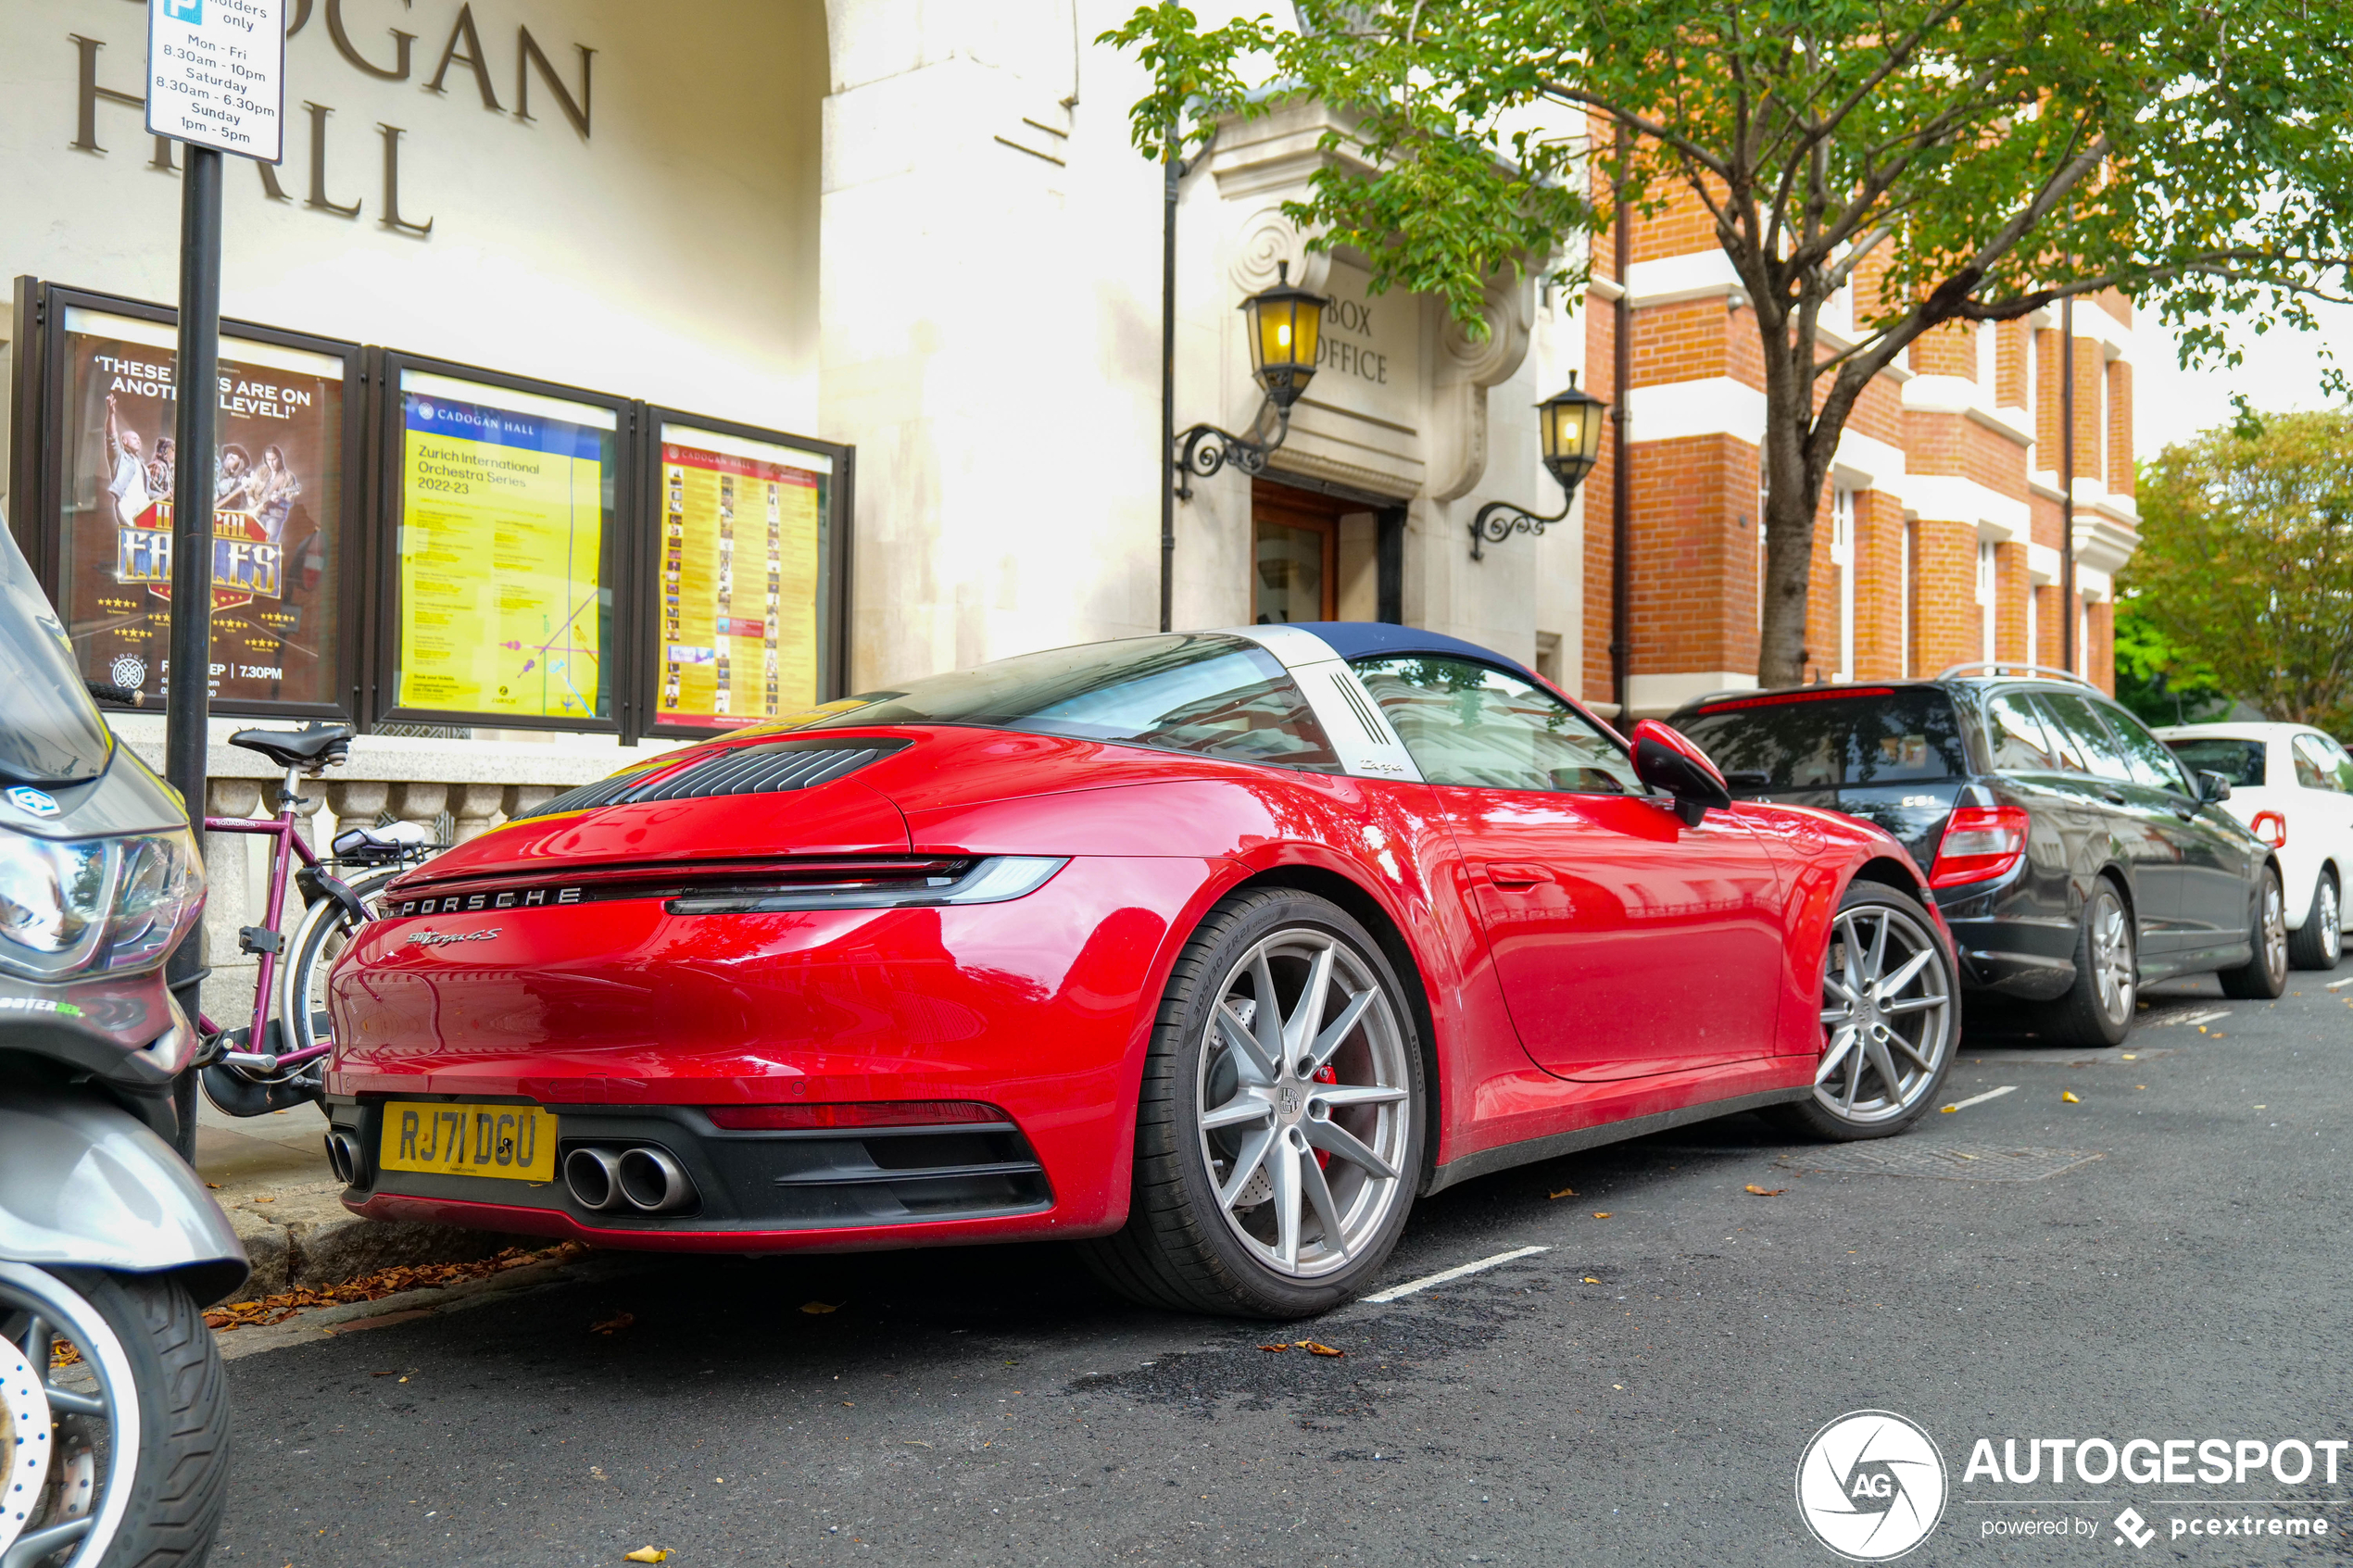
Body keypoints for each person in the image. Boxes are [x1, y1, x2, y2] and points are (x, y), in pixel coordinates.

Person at [103, 394, 150, 527]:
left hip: (144, 509)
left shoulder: (143, 466)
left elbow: (149, 491)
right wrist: (111, 413)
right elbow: (111, 437)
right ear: (124, 441)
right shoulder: (119, 457)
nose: (138, 441)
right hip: (127, 508)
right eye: (134, 438)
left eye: (139, 439)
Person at [252, 445, 300, 541]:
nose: (271, 463)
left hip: (275, 514)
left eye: (274, 459)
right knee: (255, 540)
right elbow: (252, 489)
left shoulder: (288, 477)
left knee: (269, 541)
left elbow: (289, 502)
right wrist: (250, 498)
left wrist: (280, 501)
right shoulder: (261, 471)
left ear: (280, 459)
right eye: (268, 460)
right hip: (258, 512)